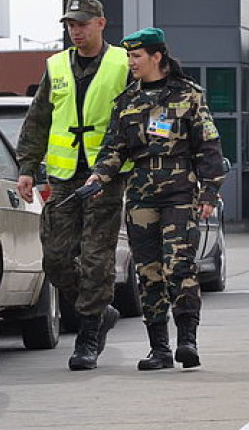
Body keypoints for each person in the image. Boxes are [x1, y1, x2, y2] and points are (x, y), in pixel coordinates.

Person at [86, 27, 226, 370]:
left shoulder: (189, 95)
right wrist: (98, 176)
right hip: (141, 195)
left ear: (156, 57)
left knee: (179, 266)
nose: (131, 63)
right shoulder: (127, 101)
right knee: (148, 272)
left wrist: (209, 190)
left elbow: (208, 146)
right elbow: (113, 150)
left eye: (136, 57)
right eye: (129, 56)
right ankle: (159, 349)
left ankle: (187, 341)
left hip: (180, 192)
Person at [15, 0, 132, 371]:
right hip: (64, 177)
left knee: (97, 257)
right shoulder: (57, 66)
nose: (75, 31)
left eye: (82, 23)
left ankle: (88, 335)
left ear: (101, 23)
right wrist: (28, 167)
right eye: (70, 24)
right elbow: (38, 119)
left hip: (106, 175)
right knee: (55, 258)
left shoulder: (121, 63)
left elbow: (138, 116)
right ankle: (100, 310)